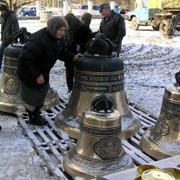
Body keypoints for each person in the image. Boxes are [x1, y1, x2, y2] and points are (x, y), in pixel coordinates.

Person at [17, 17, 82, 126]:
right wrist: (37, 75)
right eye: (60, 30)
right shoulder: (38, 40)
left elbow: (60, 52)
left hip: (43, 70)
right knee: (35, 95)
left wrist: (73, 57)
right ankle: (33, 116)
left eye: (64, 30)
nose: (63, 33)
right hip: (30, 72)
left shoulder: (55, 38)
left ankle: (35, 113)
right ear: (53, 28)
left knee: (42, 93)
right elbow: (25, 58)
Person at [64, 13, 93, 92]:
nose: (69, 27)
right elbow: (65, 40)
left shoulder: (84, 28)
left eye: (69, 25)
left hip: (82, 55)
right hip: (70, 55)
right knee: (69, 73)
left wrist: (81, 48)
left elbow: (89, 42)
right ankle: (70, 90)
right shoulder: (67, 29)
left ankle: (81, 91)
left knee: (81, 74)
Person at [0, 4, 19, 71]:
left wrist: (14, 40)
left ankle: (12, 67)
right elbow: (3, 28)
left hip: (11, 40)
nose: (1, 12)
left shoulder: (12, 17)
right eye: (0, 11)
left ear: (5, 10)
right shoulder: (3, 17)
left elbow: (16, 30)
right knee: (1, 53)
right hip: (5, 39)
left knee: (10, 54)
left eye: (2, 11)